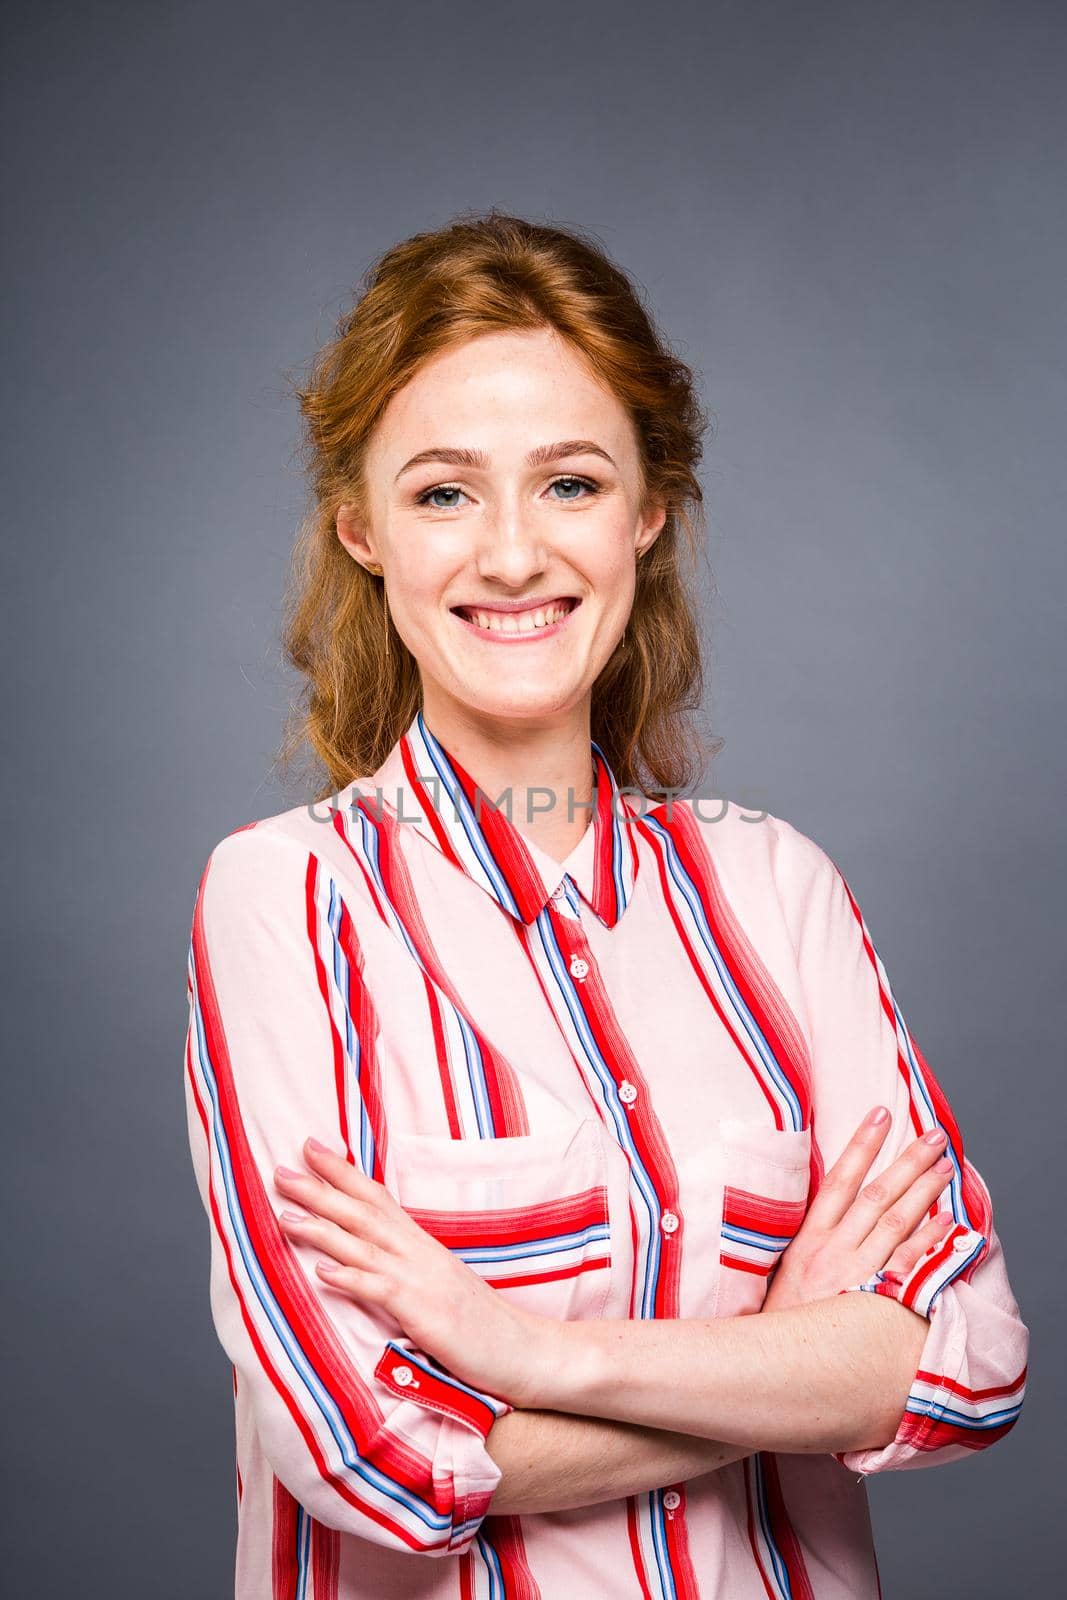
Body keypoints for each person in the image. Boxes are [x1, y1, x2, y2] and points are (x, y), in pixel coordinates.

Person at [183, 210, 1028, 1599]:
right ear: (364, 532)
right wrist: (790, 1354)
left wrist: (531, 1358)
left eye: (569, 484)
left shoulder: (780, 886)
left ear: (645, 513)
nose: (512, 556)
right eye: (445, 493)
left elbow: (970, 1355)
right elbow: (362, 1453)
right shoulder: (284, 902)